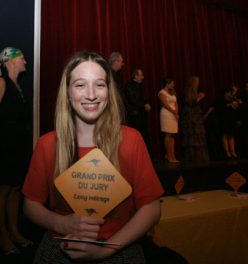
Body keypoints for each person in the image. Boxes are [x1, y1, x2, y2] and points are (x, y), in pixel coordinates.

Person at [22, 51, 164, 263]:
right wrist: (62, 224)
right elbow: (30, 205)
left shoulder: (131, 140)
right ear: (68, 93)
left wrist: (105, 250)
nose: (91, 94)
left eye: (99, 84)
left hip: (119, 248)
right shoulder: (47, 144)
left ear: (109, 91)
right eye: (80, 85)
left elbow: (152, 208)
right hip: (59, 250)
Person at [0, 47, 34, 255]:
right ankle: (2, 236)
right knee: (2, 189)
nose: (25, 60)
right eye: (22, 57)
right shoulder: (0, 82)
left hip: (19, 145)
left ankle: (14, 232)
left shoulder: (18, 85)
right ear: (11, 60)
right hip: (3, 145)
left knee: (15, 188)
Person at [180, 76, 210, 162]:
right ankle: (193, 156)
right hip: (191, 116)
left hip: (195, 115)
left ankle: (198, 156)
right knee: (193, 134)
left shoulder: (194, 91)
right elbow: (190, 103)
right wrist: (199, 98)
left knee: (198, 135)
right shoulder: (189, 90)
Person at [125, 68, 152, 148]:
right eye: (141, 75)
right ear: (135, 76)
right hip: (134, 117)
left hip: (142, 116)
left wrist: (146, 103)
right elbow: (132, 100)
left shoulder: (141, 86)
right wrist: (144, 105)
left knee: (144, 136)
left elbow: (143, 99)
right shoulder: (129, 86)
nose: (143, 77)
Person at [158, 77, 179, 163]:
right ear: (168, 83)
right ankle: (169, 155)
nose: (173, 85)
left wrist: (176, 112)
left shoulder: (172, 92)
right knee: (168, 134)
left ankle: (173, 155)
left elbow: (176, 103)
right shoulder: (161, 92)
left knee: (172, 135)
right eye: (172, 83)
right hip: (166, 114)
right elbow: (165, 104)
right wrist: (174, 112)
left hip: (173, 114)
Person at [108, 51, 127, 121]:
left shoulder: (114, 74)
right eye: (121, 62)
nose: (122, 64)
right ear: (115, 62)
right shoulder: (110, 74)